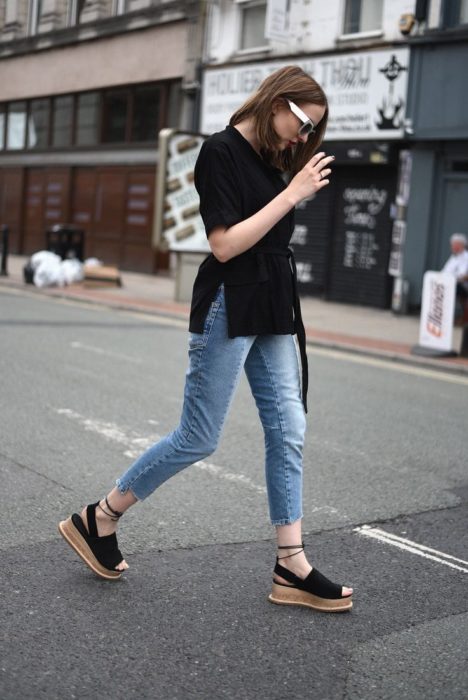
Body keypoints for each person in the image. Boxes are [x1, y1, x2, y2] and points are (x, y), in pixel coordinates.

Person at [59, 66, 353, 613]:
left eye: (313, 131)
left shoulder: (273, 160)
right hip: (229, 300)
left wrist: (287, 189)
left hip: (271, 303)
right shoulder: (218, 152)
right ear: (277, 102)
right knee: (199, 437)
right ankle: (99, 517)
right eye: (304, 123)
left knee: (289, 428)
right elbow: (223, 245)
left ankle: (291, 564)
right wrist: (290, 196)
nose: (305, 137)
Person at [442, 233, 468, 323]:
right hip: (449, 283)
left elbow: (462, 275)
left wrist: (450, 278)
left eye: (453, 244)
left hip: (462, 286)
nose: (451, 246)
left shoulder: (466, 257)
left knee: (450, 290)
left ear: (460, 245)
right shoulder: (454, 257)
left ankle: (447, 318)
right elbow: (445, 271)